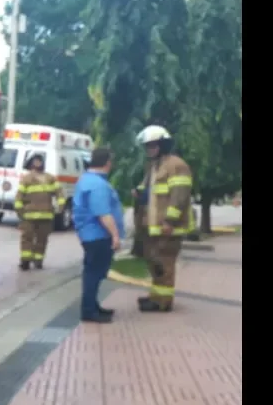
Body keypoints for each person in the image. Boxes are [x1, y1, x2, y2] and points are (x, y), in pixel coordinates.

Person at [133, 125, 194, 313]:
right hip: (154, 227)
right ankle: (155, 296)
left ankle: (163, 303)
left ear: (163, 144)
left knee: (165, 263)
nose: (150, 149)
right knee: (155, 263)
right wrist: (138, 193)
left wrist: (170, 221)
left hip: (168, 227)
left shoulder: (177, 165)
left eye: (153, 145)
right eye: (147, 146)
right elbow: (149, 191)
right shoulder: (154, 166)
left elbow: (180, 196)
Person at [72, 147, 124, 323]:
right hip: (98, 235)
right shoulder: (97, 184)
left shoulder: (88, 180)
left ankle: (93, 306)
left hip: (91, 235)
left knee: (94, 272)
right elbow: (103, 213)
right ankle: (89, 310)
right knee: (94, 273)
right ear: (108, 162)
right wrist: (115, 236)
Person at [14, 153, 65, 271]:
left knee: (42, 239)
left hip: (46, 215)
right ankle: (25, 261)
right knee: (27, 238)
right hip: (29, 216)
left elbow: (59, 192)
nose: (38, 163)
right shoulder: (27, 178)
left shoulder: (50, 178)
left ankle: (38, 261)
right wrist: (20, 211)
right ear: (31, 163)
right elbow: (19, 197)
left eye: (39, 161)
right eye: (35, 161)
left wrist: (61, 205)